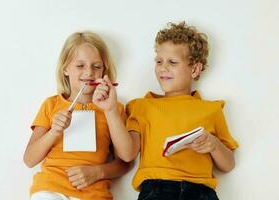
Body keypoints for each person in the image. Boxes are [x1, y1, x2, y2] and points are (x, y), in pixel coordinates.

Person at [93, 21, 238, 200]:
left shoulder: (212, 110)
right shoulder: (142, 106)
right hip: (157, 190)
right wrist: (110, 110)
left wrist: (214, 145)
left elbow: (228, 164)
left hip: (200, 192)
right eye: (159, 61)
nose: (163, 67)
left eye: (172, 62)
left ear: (194, 69)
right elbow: (127, 153)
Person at [23, 31, 129, 200]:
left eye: (96, 66)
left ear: (104, 71)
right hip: (51, 188)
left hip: (94, 193)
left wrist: (98, 172)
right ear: (65, 69)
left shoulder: (113, 108)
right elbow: (29, 160)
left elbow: (125, 160)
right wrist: (53, 132)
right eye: (80, 66)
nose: (89, 72)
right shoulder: (51, 105)